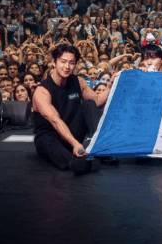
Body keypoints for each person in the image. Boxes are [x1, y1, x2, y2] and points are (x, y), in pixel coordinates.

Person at [32, 43, 107, 174]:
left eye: (71, 63)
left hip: (72, 131)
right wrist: (75, 144)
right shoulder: (42, 91)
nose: (67, 67)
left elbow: (97, 101)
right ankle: (77, 163)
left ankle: (103, 149)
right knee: (46, 142)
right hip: (50, 135)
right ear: (54, 62)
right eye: (63, 62)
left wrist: (113, 84)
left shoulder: (79, 81)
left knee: (88, 104)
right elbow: (56, 121)